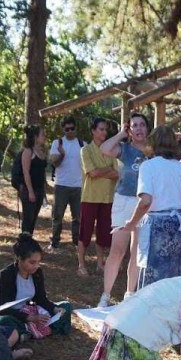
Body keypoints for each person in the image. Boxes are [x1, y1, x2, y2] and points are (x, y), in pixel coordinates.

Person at [116, 126, 181, 289]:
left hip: (158, 225)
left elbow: (145, 201)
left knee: (153, 274)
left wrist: (131, 222)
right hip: (180, 223)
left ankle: (152, 311)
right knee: (176, 273)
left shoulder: (148, 166)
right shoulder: (179, 167)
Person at [97, 112, 151, 307]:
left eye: (142, 125)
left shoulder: (153, 152)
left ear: (147, 128)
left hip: (144, 204)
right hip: (123, 202)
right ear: (131, 129)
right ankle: (106, 295)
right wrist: (121, 133)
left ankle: (129, 294)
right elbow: (104, 149)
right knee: (117, 250)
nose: (139, 129)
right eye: (135, 125)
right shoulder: (125, 149)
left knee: (136, 251)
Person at [0, 233, 72, 339]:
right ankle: (30, 330)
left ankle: (27, 332)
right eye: (32, 262)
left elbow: (40, 299)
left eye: (38, 262)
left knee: (66, 306)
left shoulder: (37, 273)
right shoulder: (5, 275)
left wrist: (54, 309)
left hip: (33, 309)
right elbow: (2, 308)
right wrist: (30, 318)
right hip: (15, 315)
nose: (36, 266)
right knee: (3, 321)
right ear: (19, 259)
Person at [78, 117, 118, 276]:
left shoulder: (112, 150)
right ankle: (81, 264)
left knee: (103, 232)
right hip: (89, 197)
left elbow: (117, 173)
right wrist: (106, 170)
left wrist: (101, 171)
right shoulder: (85, 150)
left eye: (105, 129)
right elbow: (92, 173)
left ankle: (100, 263)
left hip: (107, 197)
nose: (104, 132)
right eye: (101, 129)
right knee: (85, 232)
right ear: (93, 131)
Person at [48, 115, 85, 251]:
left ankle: (76, 243)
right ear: (63, 129)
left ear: (76, 128)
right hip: (61, 185)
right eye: (67, 129)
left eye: (72, 128)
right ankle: (55, 242)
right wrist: (62, 154)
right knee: (57, 216)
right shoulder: (57, 143)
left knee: (78, 218)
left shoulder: (83, 144)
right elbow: (54, 163)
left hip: (78, 186)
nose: (69, 131)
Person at [18, 125, 48, 236]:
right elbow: (26, 172)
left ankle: (29, 240)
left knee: (33, 218)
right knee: (28, 218)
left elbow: (42, 172)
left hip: (39, 190)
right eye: (43, 135)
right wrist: (30, 191)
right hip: (29, 190)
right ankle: (24, 242)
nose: (45, 137)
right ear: (36, 137)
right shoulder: (28, 151)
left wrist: (44, 190)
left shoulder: (41, 151)